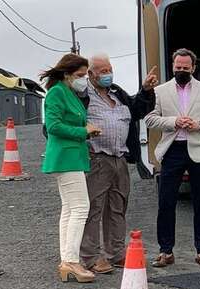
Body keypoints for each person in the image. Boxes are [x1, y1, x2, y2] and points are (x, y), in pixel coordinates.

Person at [144, 48, 200, 268]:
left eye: (185, 68)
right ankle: (166, 251)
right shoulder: (160, 91)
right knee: (166, 202)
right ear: (172, 66)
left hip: (198, 149)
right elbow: (150, 119)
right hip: (172, 149)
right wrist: (173, 122)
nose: (181, 70)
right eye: (178, 67)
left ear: (193, 68)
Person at [79, 54, 158, 274]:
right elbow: (66, 122)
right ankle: (90, 257)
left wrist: (146, 91)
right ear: (91, 74)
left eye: (109, 69)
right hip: (96, 158)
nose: (107, 74)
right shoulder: (82, 95)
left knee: (117, 206)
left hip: (119, 158)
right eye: (102, 71)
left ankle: (115, 253)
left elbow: (138, 110)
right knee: (93, 208)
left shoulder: (117, 92)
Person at [40, 54, 101, 283]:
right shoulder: (57, 92)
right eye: (79, 75)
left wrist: (87, 129)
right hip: (66, 158)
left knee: (69, 209)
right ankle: (71, 262)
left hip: (71, 156)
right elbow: (53, 126)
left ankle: (67, 259)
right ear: (66, 74)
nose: (83, 79)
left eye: (85, 75)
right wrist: (84, 131)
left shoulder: (69, 93)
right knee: (80, 208)